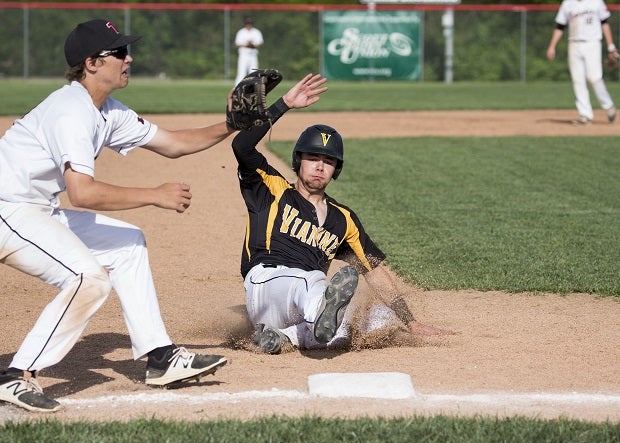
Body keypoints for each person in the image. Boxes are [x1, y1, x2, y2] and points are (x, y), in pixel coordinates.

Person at [0, 19, 236, 413]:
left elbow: (173, 143)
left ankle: (159, 357)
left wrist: (233, 123)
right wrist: (154, 195)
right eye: (120, 52)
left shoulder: (106, 110)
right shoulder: (71, 111)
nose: (129, 58)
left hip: (34, 209)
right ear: (92, 63)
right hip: (7, 210)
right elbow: (84, 193)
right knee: (87, 279)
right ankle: (17, 375)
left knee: (127, 244)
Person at [230, 74, 453, 355]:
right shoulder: (270, 187)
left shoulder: (343, 219)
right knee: (312, 281)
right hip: (267, 286)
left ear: (337, 170)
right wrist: (284, 104)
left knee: (376, 320)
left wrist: (412, 321)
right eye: (312, 157)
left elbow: (373, 270)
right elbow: (241, 146)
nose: (320, 166)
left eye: (329, 161)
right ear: (298, 161)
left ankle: (284, 337)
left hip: (303, 312)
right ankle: (319, 316)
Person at [546, 0, 617, 125]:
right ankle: (584, 115)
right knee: (577, 80)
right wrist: (552, 46)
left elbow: (604, 23)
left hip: (593, 43)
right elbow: (560, 27)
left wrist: (611, 45)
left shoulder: (596, 2)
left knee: (594, 78)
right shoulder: (568, 3)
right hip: (574, 43)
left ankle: (608, 106)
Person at [234, 17, 264, 85]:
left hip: (253, 55)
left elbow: (260, 43)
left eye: (250, 23)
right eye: (247, 23)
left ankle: (253, 88)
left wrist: (252, 44)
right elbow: (237, 44)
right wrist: (247, 44)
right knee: (241, 73)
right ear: (245, 24)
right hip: (243, 55)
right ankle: (237, 88)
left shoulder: (256, 32)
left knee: (253, 73)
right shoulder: (241, 32)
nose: (249, 25)